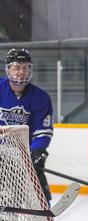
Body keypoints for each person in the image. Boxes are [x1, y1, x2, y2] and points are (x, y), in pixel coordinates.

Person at [0, 48, 54, 202]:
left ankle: (43, 207)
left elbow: (42, 130)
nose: (21, 72)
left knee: (36, 176)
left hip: (22, 152)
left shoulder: (41, 97)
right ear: (8, 69)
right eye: (16, 67)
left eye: (25, 67)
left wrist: (37, 152)